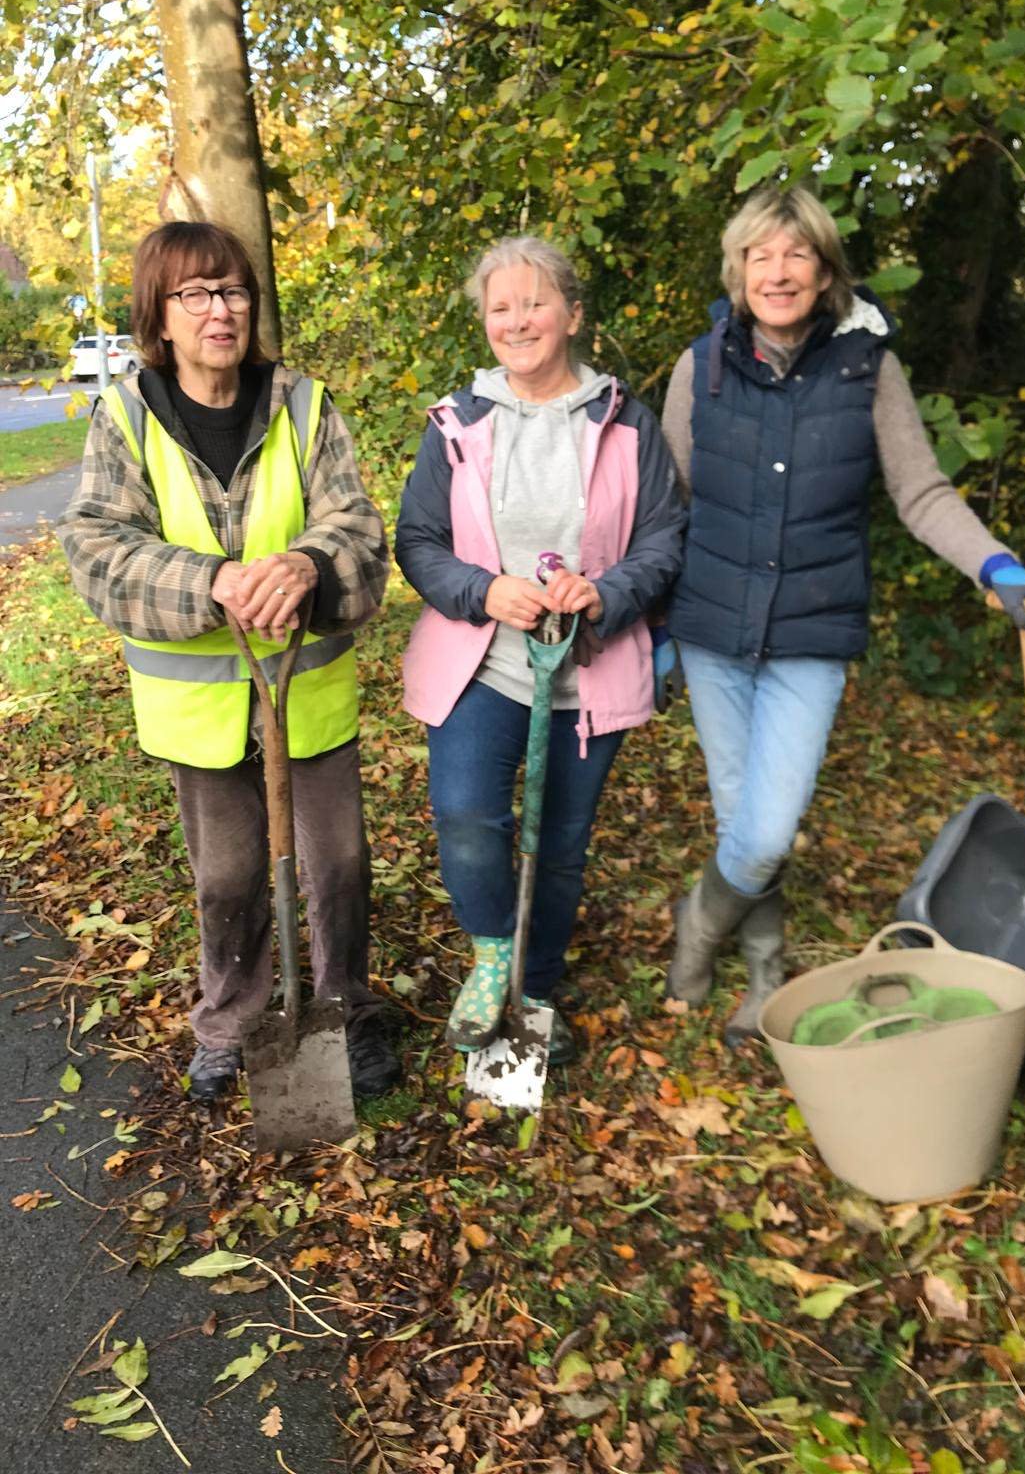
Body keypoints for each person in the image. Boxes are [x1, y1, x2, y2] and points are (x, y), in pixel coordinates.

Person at [661, 184, 1025, 1048]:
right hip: (712, 631)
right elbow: (668, 505)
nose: (778, 271)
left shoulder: (869, 370)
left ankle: (701, 920)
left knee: (768, 829)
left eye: (796, 253)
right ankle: (765, 963)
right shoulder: (698, 369)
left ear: (825, 270)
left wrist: (995, 564)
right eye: (760, 255)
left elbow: (920, 491)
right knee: (743, 818)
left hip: (811, 632)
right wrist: (650, 621)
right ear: (738, 271)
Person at [58, 221, 397, 1101]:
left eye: (235, 291)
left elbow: (358, 528)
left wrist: (306, 567)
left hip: (307, 690)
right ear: (159, 317)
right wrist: (213, 582)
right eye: (196, 295)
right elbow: (96, 549)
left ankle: (343, 1013)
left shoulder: (304, 406)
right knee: (229, 875)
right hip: (200, 709)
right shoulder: (126, 418)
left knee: (338, 864)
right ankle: (232, 1025)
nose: (221, 311)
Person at [394, 235, 684, 1063]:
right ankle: (492, 952)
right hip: (483, 665)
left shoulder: (627, 420)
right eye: (500, 307)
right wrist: (483, 590)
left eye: (534, 302)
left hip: (587, 674)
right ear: (484, 322)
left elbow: (664, 537)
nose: (517, 321)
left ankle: (535, 984)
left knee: (558, 845)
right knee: (467, 816)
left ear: (572, 314)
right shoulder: (457, 423)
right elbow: (419, 540)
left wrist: (608, 592)